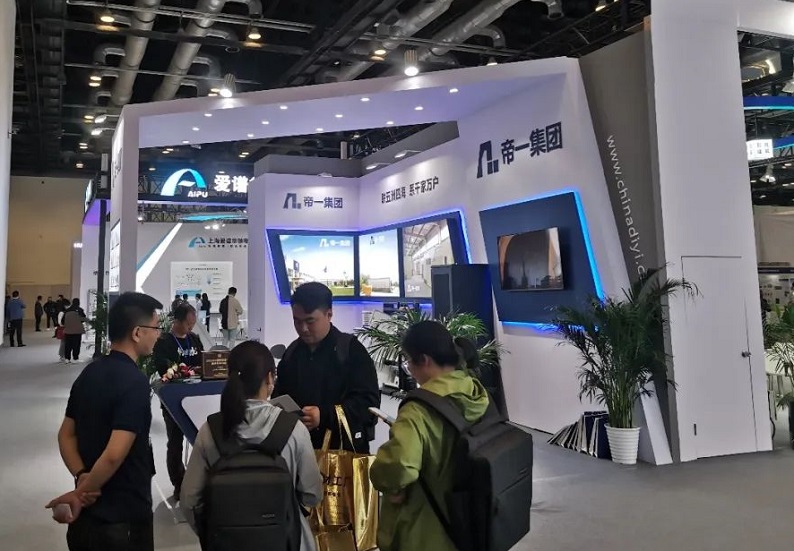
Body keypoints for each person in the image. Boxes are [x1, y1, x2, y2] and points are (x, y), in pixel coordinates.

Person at [45, 292, 163, 551]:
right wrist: (81, 493)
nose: (158, 335)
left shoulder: (90, 372)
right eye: (156, 328)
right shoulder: (135, 383)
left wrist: (82, 476)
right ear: (137, 333)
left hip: (85, 521)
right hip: (123, 521)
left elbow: (66, 434)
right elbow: (113, 454)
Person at [181, 341, 323, 551]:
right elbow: (312, 494)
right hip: (285, 542)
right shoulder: (294, 429)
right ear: (269, 378)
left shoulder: (210, 431)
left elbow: (189, 500)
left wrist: (213, 532)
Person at [369, 321, 490, 551]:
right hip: (468, 520)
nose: (409, 368)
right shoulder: (473, 390)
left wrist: (387, 484)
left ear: (424, 360)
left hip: (426, 527)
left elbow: (399, 466)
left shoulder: (418, 409)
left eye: (408, 361)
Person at [272, 282, 380, 452]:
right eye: (297, 321)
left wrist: (324, 416)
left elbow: (369, 405)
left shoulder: (351, 351)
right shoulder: (292, 353)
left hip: (343, 453)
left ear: (329, 314)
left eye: (310, 321)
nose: (303, 329)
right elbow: (280, 396)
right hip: (300, 450)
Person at [152, 303, 204, 501]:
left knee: (200, 440)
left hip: (197, 398)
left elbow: (204, 361)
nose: (191, 327)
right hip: (174, 400)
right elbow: (162, 368)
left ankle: (198, 482)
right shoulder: (164, 342)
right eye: (188, 324)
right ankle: (178, 483)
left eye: (193, 323)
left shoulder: (194, 339)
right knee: (175, 443)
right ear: (177, 321)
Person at [63, 299, 88, 363]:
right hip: (77, 330)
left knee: (68, 345)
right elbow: (83, 319)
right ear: (79, 303)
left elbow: (63, 321)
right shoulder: (80, 310)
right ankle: (75, 358)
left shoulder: (67, 310)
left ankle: (67, 358)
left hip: (68, 330)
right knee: (76, 345)